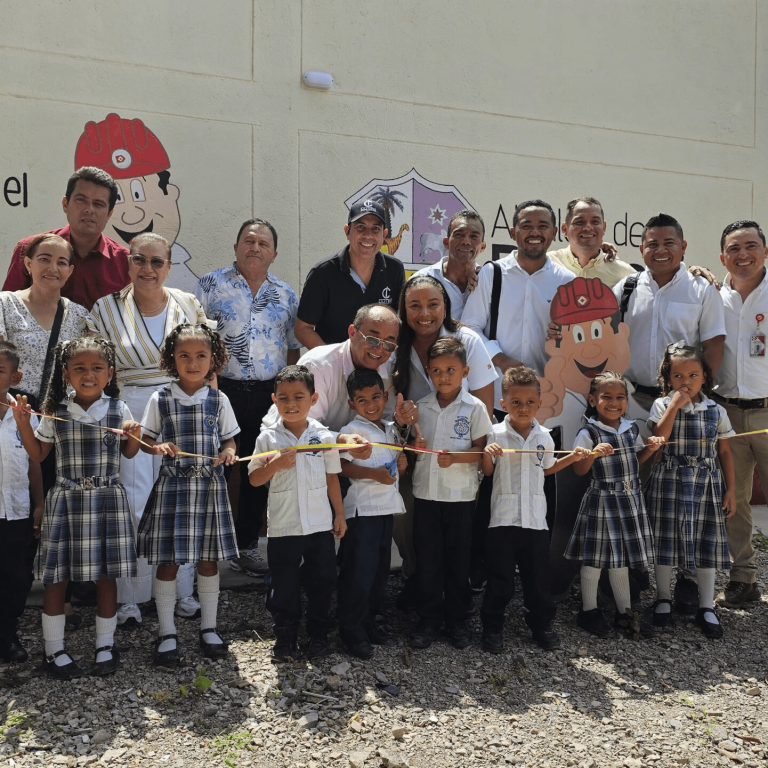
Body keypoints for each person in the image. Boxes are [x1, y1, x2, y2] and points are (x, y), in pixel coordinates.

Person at [88, 232, 207, 628]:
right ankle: (131, 599)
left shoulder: (188, 304)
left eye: (157, 261)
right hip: (130, 410)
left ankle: (181, 592)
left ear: (169, 266)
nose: (148, 269)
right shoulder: (105, 308)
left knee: (180, 500)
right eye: (140, 260)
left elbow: (207, 363)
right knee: (135, 501)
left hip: (182, 407)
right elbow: (94, 369)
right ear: (128, 263)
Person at [613, 213, 727, 612]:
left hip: (683, 405)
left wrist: (695, 396)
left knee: (690, 494)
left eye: (668, 243)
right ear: (641, 247)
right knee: (641, 487)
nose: (659, 250)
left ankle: (690, 580)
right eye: (651, 244)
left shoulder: (701, 287)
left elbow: (713, 344)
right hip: (634, 401)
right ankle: (638, 569)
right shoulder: (626, 286)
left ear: (683, 246)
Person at [13, 337, 142, 679]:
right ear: (66, 375)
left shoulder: (119, 409)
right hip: (67, 500)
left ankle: (105, 645)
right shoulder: (55, 412)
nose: (88, 374)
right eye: (79, 368)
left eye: (97, 368)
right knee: (58, 578)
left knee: (106, 575)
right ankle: (54, 651)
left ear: (110, 373)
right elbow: (38, 456)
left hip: (106, 500)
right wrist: (24, 425)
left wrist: (135, 434)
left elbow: (129, 454)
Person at [195, 219, 300, 577]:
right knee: (215, 467)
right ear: (236, 246)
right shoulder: (211, 284)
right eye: (248, 241)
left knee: (258, 467)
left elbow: (292, 348)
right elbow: (195, 340)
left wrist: (286, 396)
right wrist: (207, 387)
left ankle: (247, 547)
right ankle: (206, 548)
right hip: (220, 390)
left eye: (263, 243)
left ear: (274, 253)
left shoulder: (286, 294)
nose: (255, 247)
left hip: (268, 395)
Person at [136, 324, 240, 667]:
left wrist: (228, 452)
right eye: (184, 356)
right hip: (174, 490)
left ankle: (209, 628)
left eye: (200, 356)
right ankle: (167, 633)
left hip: (209, 489)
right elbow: (146, 441)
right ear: (171, 359)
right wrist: (157, 446)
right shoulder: (161, 398)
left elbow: (230, 440)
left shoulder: (219, 399)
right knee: (168, 561)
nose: (192, 362)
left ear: (214, 359)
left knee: (208, 561)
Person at [480, 367, 590, 654]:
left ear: (539, 404)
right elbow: (486, 472)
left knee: (537, 579)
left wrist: (573, 458)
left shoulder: (545, 437)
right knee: (500, 579)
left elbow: (548, 469)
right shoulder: (494, 434)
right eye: (516, 402)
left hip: (535, 522)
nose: (523, 408)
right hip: (502, 520)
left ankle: (541, 625)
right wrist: (487, 455)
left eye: (530, 402)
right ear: (503, 404)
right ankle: (492, 627)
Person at [249, 365, 346, 661]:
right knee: (284, 584)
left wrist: (339, 514)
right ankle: (285, 637)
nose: (291, 405)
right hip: (284, 526)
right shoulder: (267, 439)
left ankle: (318, 635)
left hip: (319, 525)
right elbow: (254, 478)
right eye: (284, 398)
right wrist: (275, 465)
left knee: (323, 579)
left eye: (298, 397)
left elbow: (332, 477)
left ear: (314, 399)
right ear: (274, 399)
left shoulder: (323, 436)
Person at [646, 343, 736, 639]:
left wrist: (731, 490)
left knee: (704, 542)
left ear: (704, 377)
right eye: (678, 376)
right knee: (666, 539)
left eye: (693, 375)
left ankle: (705, 605)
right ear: (667, 378)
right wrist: (673, 406)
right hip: (669, 479)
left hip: (706, 483)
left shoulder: (716, 410)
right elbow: (659, 436)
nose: (686, 382)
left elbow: (724, 452)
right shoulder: (661, 405)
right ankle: (663, 598)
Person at [567, 372, 664, 639]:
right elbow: (579, 469)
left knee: (620, 560)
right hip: (602, 500)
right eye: (606, 397)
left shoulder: (631, 428)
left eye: (620, 397)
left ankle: (624, 612)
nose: (614, 402)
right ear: (592, 399)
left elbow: (637, 462)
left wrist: (651, 448)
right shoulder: (589, 432)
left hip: (629, 502)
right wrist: (593, 454)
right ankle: (588, 611)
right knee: (595, 559)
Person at [409, 338, 492, 650]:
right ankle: (427, 618)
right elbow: (412, 447)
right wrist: (413, 447)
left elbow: (482, 451)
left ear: (465, 371)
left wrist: (457, 458)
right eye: (437, 370)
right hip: (427, 495)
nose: (444, 376)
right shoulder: (420, 407)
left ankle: (457, 619)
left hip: (459, 498)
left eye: (451, 370)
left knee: (458, 561)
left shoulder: (475, 408)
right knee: (428, 559)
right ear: (429, 372)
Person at [461, 199, 575, 398]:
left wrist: (565, 337)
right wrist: (501, 360)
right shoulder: (491, 273)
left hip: (547, 398)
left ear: (554, 233)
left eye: (543, 226)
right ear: (513, 233)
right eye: (526, 226)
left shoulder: (567, 281)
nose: (535, 232)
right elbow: (469, 328)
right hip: (495, 393)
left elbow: (576, 340)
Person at [74, 112, 199, 291]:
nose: (131, 215)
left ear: (171, 193)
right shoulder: (59, 256)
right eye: (118, 198)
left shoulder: (188, 293)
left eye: (138, 194)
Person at [713, 220, 768, 608]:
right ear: (722, 257)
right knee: (735, 501)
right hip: (729, 415)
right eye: (734, 248)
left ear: (765, 251)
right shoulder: (714, 296)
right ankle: (743, 578)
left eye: (751, 246)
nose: (743, 254)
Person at [337, 369, 407, 659]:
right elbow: (342, 467)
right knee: (359, 572)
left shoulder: (390, 428)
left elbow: (395, 463)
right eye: (362, 400)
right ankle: (350, 630)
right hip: (362, 512)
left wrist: (401, 464)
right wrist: (374, 475)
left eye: (376, 397)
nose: (370, 404)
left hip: (386, 510)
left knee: (380, 570)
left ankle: (369, 621)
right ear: (352, 404)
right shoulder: (354, 432)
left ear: (385, 397)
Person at [3, 167, 130, 310]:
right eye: (81, 200)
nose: (89, 209)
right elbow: (7, 310)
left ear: (109, 213)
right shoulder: (29, 249)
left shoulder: (126, 263)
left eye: (98, 204)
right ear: (65, 204)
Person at [295, 199, 405, 348]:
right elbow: (303, 329)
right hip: (336, 369)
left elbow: (400, 323)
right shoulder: (323, 272)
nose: (368, 235)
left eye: (375, 229)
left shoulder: (395, 269)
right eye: (360, 227)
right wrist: (333, 362)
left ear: (384, 235)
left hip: (379, 365)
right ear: (347, 231)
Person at [0, 342, 43, 663]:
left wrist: (39, 502)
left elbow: (33, 462)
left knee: (15, 575)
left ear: (15, 376)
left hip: (16, 509)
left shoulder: (23, 414)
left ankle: (7, 634)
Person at [549, 197, 636, 288]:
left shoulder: (624, 274)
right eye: (579, 222)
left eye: (595, 221)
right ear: (564, 229)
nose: (588, 227)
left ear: (604, 227)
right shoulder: (548, 264)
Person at [415, 209, 486, 316]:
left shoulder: (488, 282)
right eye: (459, 234)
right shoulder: (422, 280)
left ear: (482, 246)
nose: (466, 241)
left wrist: (486, 279)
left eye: (474, 236)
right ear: (446, 243)